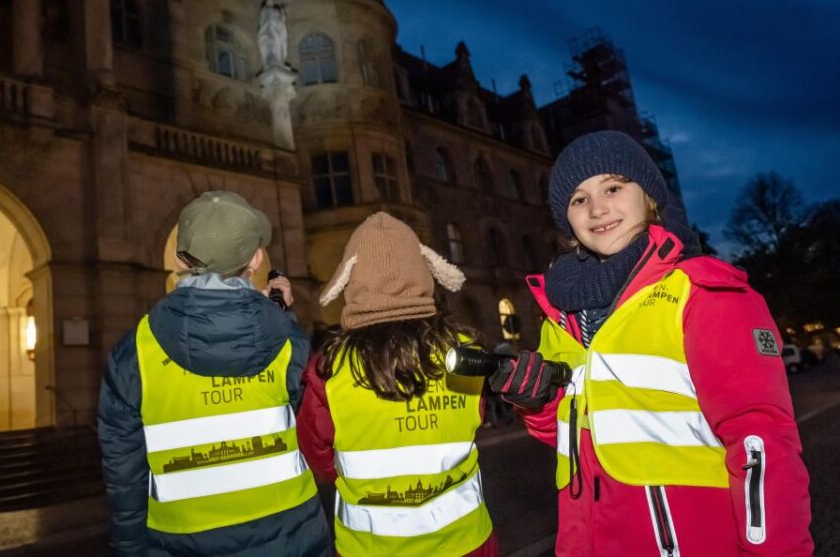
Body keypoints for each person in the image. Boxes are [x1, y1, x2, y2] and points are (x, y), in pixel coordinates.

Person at [490, 131, 813, 555]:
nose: (598, 207)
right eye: (578, 199)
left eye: (613, 187)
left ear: (650, 198)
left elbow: (761, 442)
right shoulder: (561, 314)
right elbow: (574, 438)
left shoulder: (704, 293)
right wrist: (536, 403)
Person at [97, 191, 331, 556]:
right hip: (293, 540)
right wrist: (280, 317)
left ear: (179, 257)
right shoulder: (288, 342)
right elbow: (314, 431)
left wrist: (130, 549)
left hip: (180, 545)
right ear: (255, 260)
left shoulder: (134, 352)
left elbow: (123, 473)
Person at [297, 212, 498, 557]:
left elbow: (318, 456)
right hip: (468, 542)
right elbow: (473, 421)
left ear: (351, 278)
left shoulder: (330, 367)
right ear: (424, 272)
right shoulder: (464, 351)